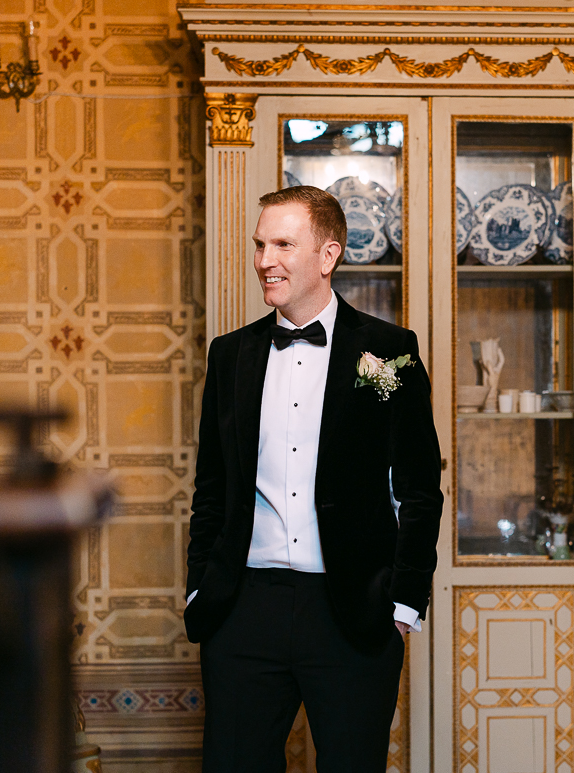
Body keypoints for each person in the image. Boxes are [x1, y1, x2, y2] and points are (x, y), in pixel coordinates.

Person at [183, 185, 443, 772]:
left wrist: (404, 602)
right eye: (260, 245)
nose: (264, 261)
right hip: (243, 608)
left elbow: (420, 489)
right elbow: (212, 488)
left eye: (282, 245)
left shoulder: (389, 351)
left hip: (352, 611)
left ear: (328, 256)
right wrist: (201, 586)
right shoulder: (230, 354)